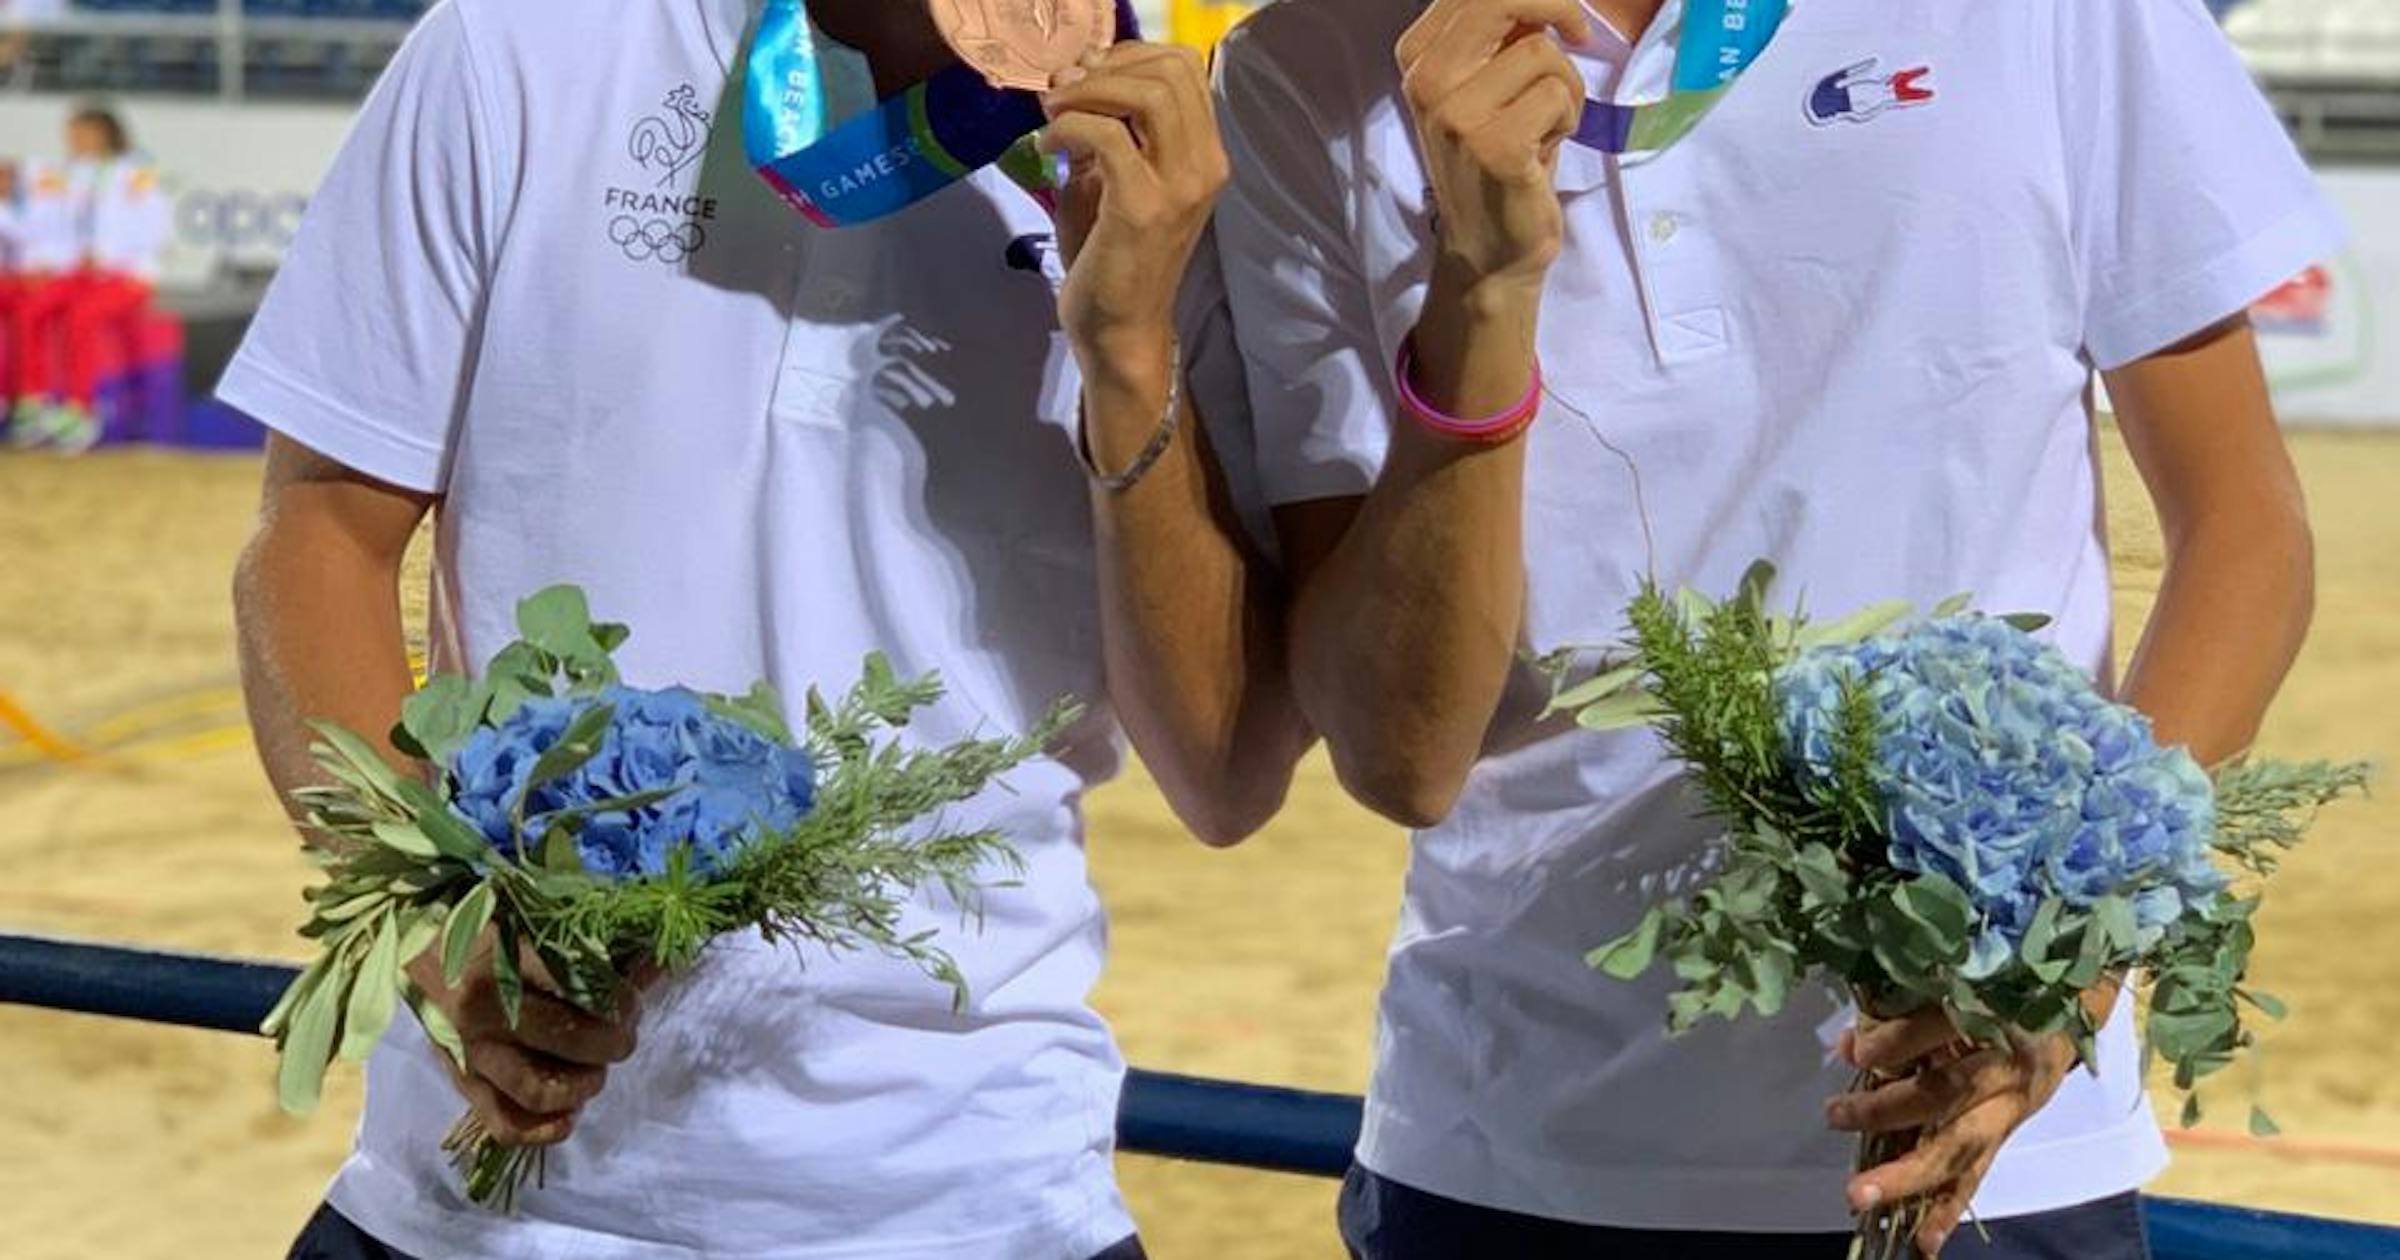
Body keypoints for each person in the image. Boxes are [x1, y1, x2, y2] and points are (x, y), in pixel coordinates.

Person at [1197, 0, 2337, 1255]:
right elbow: (1400, 756)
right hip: (1518, 1150)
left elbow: (2244, 534)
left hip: (1994, 1140)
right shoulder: (1299, 72)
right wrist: (1481, 284)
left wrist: (2060, 968)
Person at [227, 0, 1279, 1256]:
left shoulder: (1184, 137)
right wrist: (431, 926)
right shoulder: (522, 43)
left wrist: (1126, 342)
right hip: (485, 1206)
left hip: (980, 1196)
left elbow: (1223, 771)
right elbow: (319, 539)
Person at [7, 104, 169, 453]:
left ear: (103, 133)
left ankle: (81, 409)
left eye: (79, 133)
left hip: (128, 274)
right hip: (80, 273)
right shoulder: (68, 173)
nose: (72, 140)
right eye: (70, 133)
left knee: (80, 316)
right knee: (31, 308)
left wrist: (111, 256)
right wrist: (49, 262)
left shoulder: (137, 171)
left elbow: (156, 228)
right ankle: (33, 403)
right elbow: (56, 228)